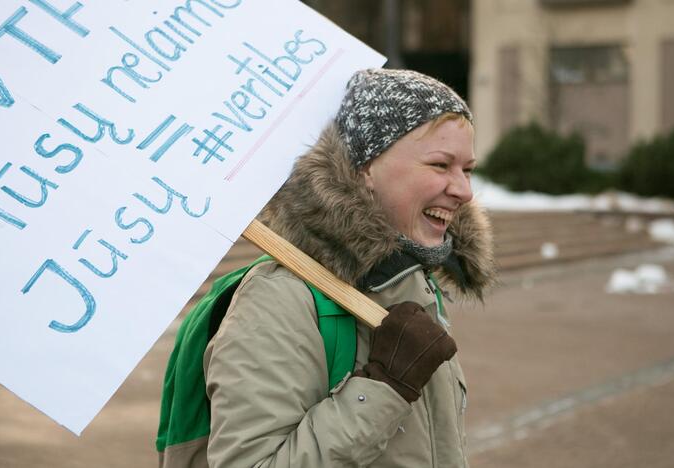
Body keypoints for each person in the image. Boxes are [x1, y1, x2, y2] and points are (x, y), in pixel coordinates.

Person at [160, 68, 495, 467]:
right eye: (441, 165)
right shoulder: (279, 299)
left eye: (467, 169)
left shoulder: (412, 281)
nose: (463, 190)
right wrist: (386, 386)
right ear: (364, 168)